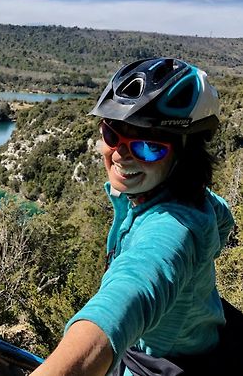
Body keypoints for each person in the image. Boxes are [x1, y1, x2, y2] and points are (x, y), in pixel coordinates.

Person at [30, 57, 236, 376]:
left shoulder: (173, 229)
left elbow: (124, 299)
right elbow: (223, 216)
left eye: (149, 147)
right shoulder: (193, 196)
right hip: (204, 343)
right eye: (112, 135)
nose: (122, 154)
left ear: (186, 154)